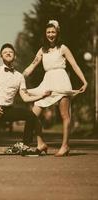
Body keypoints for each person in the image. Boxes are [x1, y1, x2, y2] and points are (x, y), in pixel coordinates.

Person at [23, 20, 88, 157]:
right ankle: (41, 143)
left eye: (53, 32)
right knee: (33, 114)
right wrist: (20, 76)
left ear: (57, 33)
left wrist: (84, 81)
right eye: (48, 32)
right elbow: (32, 65)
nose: (50, 34)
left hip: (61, 80)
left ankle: (65, 146)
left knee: (65, 115)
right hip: (47, 81)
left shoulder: (63, 48)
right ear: (45, 34)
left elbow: (75, 65)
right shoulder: (42, 50)